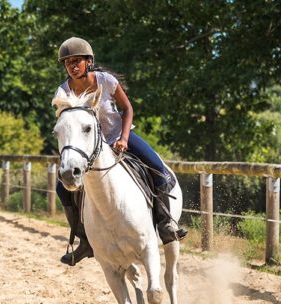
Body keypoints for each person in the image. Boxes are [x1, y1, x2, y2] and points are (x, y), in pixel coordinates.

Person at [54, 37, 187, 266]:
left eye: (77, 61)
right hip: (89, 149)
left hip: (118, 138)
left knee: (158, 171)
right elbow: (67, 122)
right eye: (68, 63)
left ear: (89, 61)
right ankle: (84, 239)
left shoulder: (106, 80)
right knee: (62, 188)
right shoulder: (63, 91)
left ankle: (165, 226)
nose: (73, 66)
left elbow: (127, 109)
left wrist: (125, 138)